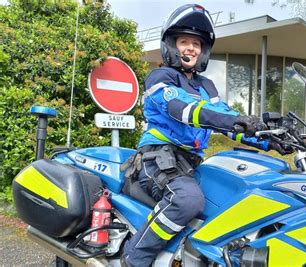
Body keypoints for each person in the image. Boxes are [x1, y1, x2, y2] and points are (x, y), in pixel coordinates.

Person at [121, 4, 291, 266]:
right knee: (187, 200)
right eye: (184, 41)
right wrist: (236, 120)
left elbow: (225, 120)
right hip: (156, 159)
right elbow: (183, 110)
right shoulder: (160, 77)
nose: (190, 48)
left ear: (203, 50)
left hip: (190, 164)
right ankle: (134, 258)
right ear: (171, 45)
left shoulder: (206, 86)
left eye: (196, 43)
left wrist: (271, 138)